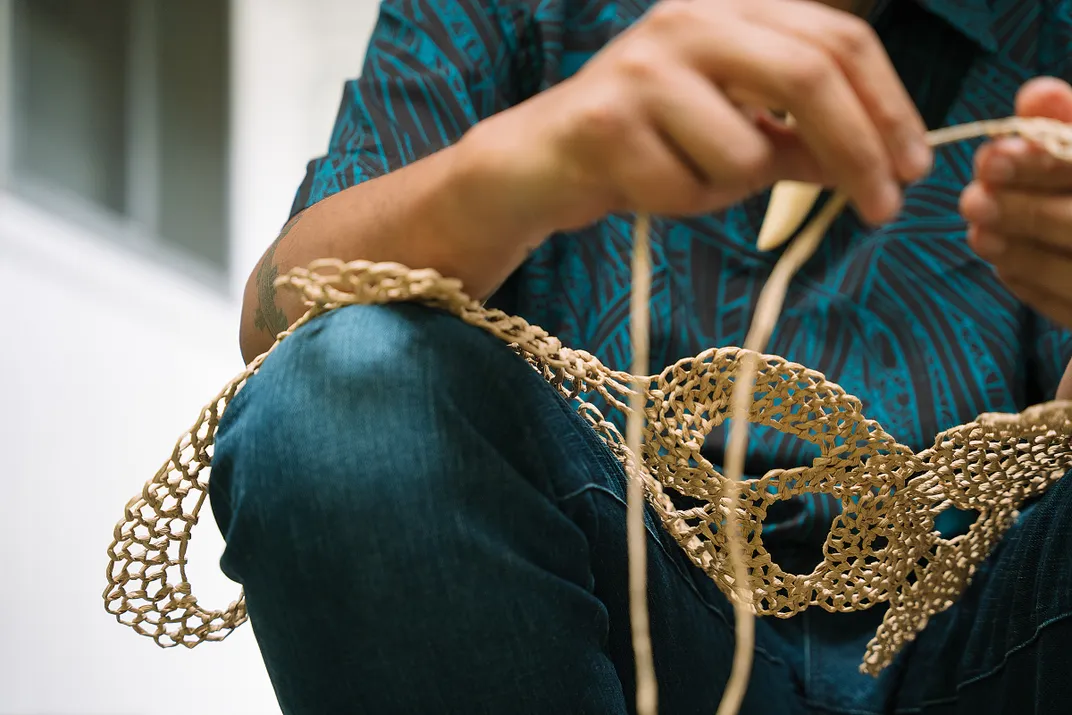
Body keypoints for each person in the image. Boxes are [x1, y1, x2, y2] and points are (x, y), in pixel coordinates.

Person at [209, 0, 1072, 712]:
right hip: (571, 617)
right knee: (341, 401)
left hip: (977, 647)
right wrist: (538, 159)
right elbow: (282, 332)